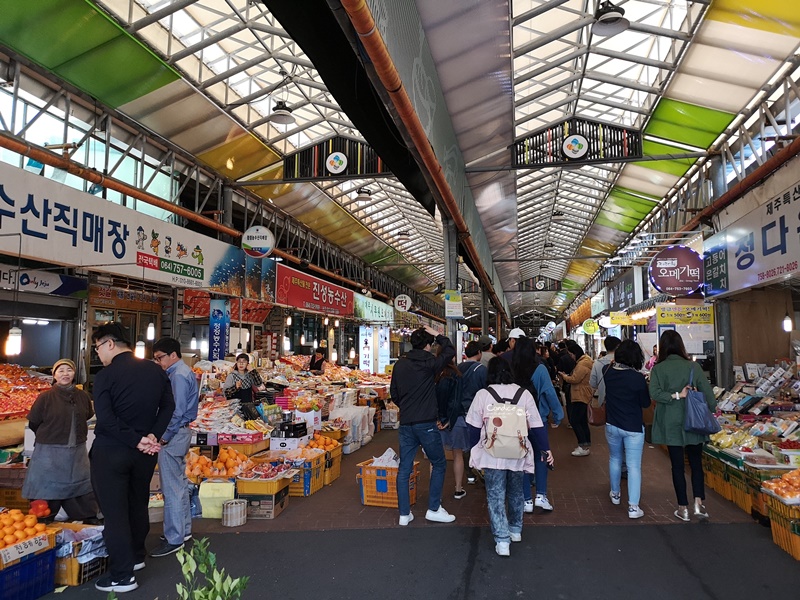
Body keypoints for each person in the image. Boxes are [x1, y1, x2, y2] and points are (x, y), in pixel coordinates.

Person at [90, 322, 174, 594]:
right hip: (144, 454)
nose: (98, 353)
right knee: (138, 503)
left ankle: (122, 576)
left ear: (110, 343)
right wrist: (152, 436)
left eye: (97, 347)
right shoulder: (155, 370)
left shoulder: (105, 376)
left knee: (114, 513)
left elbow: (106, 418)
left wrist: (137, 439)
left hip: (112, 451)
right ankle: (137, 556)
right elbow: (169, 405)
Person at [465, 358, 553, 556]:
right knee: (516, 492)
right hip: (518, 452)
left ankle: (502, 540)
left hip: (491, 454)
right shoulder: (524, 394)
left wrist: (474, 448)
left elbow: (472, 428)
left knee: (495, 495)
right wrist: (546, 449)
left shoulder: (483, 395)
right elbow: (537, 426)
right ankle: (515, 530)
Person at [389, 326, 456, 526]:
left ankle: (404, 514)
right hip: (426, 422)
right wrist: (439, 335)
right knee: (439, 463)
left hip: (407, 422)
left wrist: (407, 407)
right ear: (428, 345)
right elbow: (450, 350)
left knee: (405, 468)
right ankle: (434, 508)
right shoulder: (430, 363)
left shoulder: (400, 365)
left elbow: (394, 393)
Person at [649, 330, 716, 522]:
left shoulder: (658, 369)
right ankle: (699, 504)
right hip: (694, 421)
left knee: (677, 466)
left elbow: (654, 393)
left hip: (670, 422)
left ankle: (683, 508)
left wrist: (674, 396)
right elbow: (709, 396)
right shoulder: (693, 366)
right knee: (696, 464)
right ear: (680, 346)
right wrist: (711, 409)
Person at [22, 358, 98, 523]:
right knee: (45, 495)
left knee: (81, 490)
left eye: (69, 370)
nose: (65, 374)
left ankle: (86, 525)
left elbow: (88, 415)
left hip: (77, 453)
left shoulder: (83, 396)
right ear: (54, 374)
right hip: (49, 455)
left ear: (74, 373)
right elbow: (34, 422)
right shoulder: (45, 397)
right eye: (61, 370)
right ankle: (43, 525)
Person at [150, 337, 199, 558]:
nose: (159, 362)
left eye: (160, 357)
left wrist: (164, 436)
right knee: (178, 483)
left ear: (173, 355)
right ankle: (183, 531)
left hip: (175, 434)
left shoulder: (178, 376)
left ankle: (175, 537)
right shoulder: (182, 372)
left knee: (172, 487)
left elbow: (176, 412)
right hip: (181, 432)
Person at [511, 337, 561, 513]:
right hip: (537, 420)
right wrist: (558, 414)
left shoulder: (511, 369)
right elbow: (549, 393)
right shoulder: (540, 369)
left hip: (516, 421)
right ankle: (540, 496)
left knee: (522, 458)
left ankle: (526, 500)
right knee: (541, 456)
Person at [603, 340, 651, 519]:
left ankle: (615, 495)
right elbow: (645, 403)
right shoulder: (637, 378)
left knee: (614, 458)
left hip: (612, 425)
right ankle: (633, 507)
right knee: (633, 466)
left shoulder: (606, 371)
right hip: (633, 427)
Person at [434, 351, 466, 499]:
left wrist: (438, 418)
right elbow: (456, 400)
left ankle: (436, 491)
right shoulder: (457, 375)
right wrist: (449, 419)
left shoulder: (434, 374)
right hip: (455, 419)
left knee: (436, 456)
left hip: (436, 421)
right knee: (457, 453)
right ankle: (458, 489)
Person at [458, 341, 487, 484]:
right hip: (476, 410)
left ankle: (469, 474)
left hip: (459, 410)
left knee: (465, 442)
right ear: (479, 353)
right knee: (478, 439)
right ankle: (478, 468)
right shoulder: (481, 369)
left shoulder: (458, 367)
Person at [559, 341, 594, 456]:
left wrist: (564, 376)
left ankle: (582, 445)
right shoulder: (586, 361)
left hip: (580, 394)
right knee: (582, 420)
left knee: (575, 420)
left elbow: (575, 379)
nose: (571, 357)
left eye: (571, 354)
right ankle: (586, 444)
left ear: (575, 353)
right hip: (584, 393)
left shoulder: (582, 364)